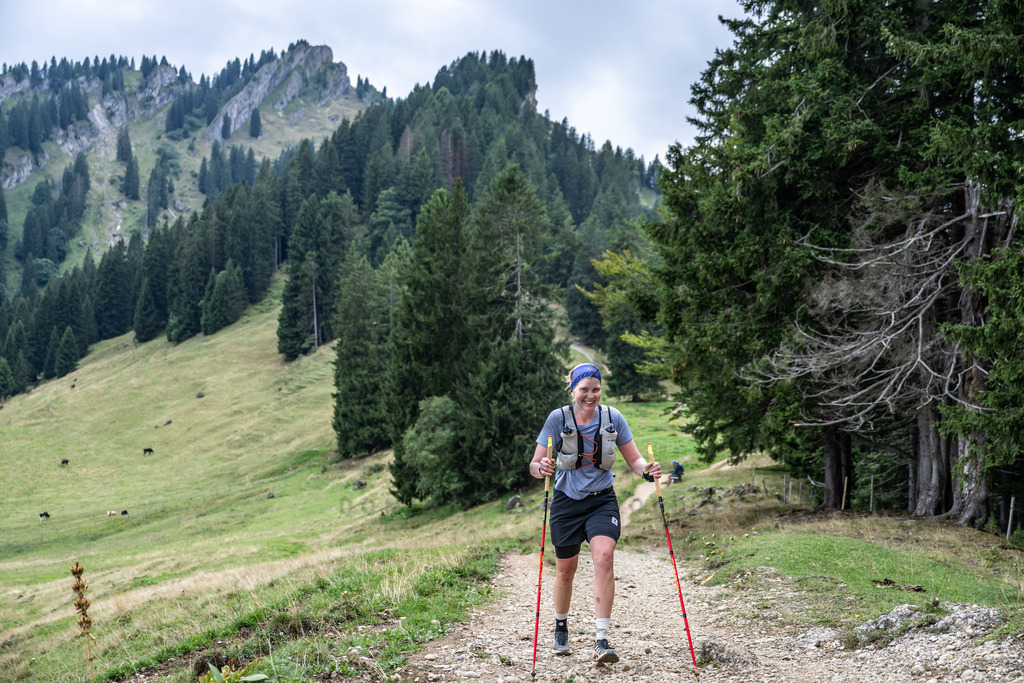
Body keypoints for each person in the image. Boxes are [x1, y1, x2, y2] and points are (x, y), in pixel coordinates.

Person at [528, 362, 661, 663]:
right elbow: (535, 465)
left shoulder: (613, 418)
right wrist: (542, 468)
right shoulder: (557, 419)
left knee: (604, 556)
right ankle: (561, 625)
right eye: (584, 389)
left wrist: (648, 472)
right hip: (565, 501)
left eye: (596, 389)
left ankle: (602, 639)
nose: (590, 395)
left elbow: (635, 460)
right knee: (565, 570)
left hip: (602, 500)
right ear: (573, 389)